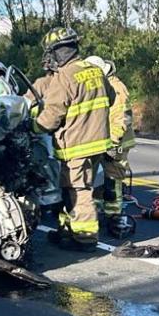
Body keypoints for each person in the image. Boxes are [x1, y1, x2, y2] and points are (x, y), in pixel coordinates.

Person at [32, 28, 113, 252]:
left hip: (77, 145)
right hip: (98, 143)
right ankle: (67, 230)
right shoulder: (95, 70)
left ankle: (85, 239)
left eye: (51, 52)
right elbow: (111, 97)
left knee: (79, 191)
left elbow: (52, 115)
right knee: (72, 189)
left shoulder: (65, 76)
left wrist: (32, 126)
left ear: (59, 52)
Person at [85, 55, 136, 238]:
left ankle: (114, 216)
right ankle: (99, 210)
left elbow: (120, 119)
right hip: (103, 141)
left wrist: (112, 145)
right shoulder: (102, 85)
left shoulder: (116, 87)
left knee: (113, 178)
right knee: (98, 178)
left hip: (118, 142)